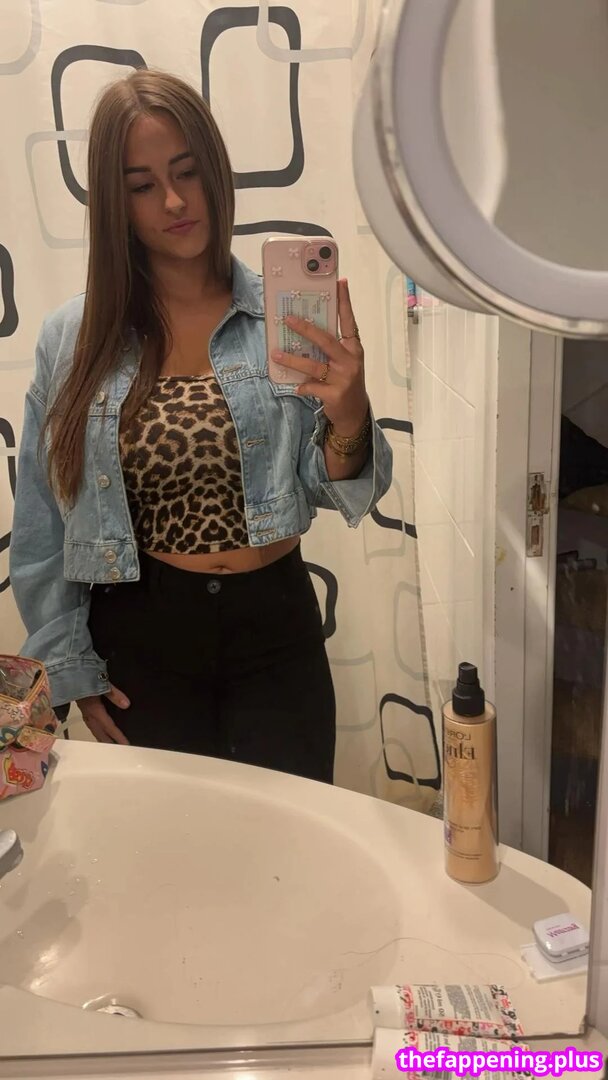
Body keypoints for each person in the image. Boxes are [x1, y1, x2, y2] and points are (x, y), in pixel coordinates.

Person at [9, 70, 392, 784]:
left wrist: (349, 416)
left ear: (216, 171)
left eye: (187, 172)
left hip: (276, 632)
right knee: (174, 845)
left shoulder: (282, 318)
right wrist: (70, 666)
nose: (175, 201)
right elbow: (42, 525)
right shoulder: (74, 339)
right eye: (143, 185)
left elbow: (334, 487)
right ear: (115, 203)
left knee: (293, 836)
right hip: (142, 639)